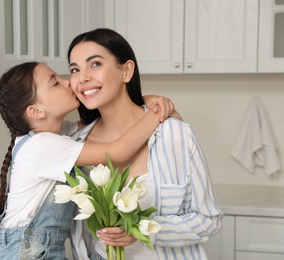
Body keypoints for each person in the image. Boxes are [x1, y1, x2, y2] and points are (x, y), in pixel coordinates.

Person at [0, 61, 176, 259]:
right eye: (55, 83)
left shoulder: (56, 134)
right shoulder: (42, 145)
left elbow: (111, 118)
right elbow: (118, 151)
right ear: (36, 111)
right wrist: (156, 113)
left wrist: (143, 101)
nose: (68, 82)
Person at [65, 28, 223, 259]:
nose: (83, 77)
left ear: (127, 71)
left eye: (95, 64)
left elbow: (209, 220)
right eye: (75, 69)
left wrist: (142, 230)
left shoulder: (175, 135)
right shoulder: (74, 146)